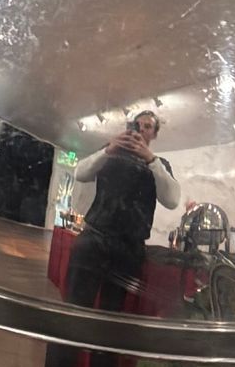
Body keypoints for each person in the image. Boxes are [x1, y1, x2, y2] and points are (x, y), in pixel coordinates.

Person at [67, 108, 180, 307]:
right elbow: (80, 174)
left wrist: (151, 160)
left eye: (148, 127)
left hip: (129, 248)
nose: (142, 130)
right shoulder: (110, 152)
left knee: (112, 309)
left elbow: (171, 200)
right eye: (138, 125)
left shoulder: (159, 164)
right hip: (94, 238)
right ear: (129, 128)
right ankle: (65, 338)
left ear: (154, 134)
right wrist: (108, 150)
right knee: (76, 303)